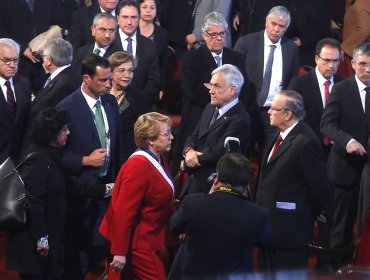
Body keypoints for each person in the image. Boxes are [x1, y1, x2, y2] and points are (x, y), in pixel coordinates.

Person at [6, 107, 113, 280]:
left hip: (48, 240)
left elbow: (72, 187)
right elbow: (34, 202)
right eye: (64, 129)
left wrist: (110, 189)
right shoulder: (38, 159)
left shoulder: (52, 155)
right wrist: (41, 238)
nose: (68, 132)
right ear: (51, 133)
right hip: (33, 242)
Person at [57, 53, 120, 279]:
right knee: (78, 248)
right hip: (79, 188)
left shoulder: (110, 101)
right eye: (103, 80)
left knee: (99, 242)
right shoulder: (66, 107)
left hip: (106, 185)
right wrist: (85, 160)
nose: (108, 85)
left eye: (109, 79)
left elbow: (116, 141)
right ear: (86, 78)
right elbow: (54, 154)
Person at [257, 90, 330, 277]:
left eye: (274, 108)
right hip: (270, 228)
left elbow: (320, 190)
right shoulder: (280, 134)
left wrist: (299, 212)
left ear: (288, 114)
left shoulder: (306, 142)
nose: (269, 111)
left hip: (290, 232)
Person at [169, 153, 272, 279]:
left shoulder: (193, 203)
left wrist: (209, 196)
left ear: (216, 178)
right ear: (247, 183)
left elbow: (173, 226)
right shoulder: (257, 215)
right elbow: (266, 241)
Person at [288, 37, 343, 273]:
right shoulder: (299, 84)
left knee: (331, 210)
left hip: (335, 158)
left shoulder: (344, 85)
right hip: (307, 156)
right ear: (316, 59)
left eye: (336, 61)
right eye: (327, 60)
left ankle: (327, 259)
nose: (331, 66)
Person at [99, 112, 175, 280]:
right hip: (135, 243)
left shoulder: (159, 158)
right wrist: (119, 252)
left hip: (145, 238)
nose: (171, 137)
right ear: (150, 139)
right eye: (166, 133)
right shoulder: (137, 167)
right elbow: (124, 212)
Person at [173, 11, 245, 174]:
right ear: (204, 35)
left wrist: (208, 86)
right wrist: (223, 91)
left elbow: (241, 90)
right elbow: (194, 92)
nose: (219, 38)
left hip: (227, 121)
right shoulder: (191, 58)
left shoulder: (237, 58)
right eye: (214, 34)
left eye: (222, 34)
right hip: (196, 117)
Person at [320, 42, 370, 269]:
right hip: (344, 168)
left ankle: (359, 264)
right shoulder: (341, 89)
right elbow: (326, 125)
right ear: (352, 64)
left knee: (364, 224)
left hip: (367, 172)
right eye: (363, 64)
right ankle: (335, 267)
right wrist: (347, 141)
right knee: (340, 225)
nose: (367, 69)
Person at [233, 5, 299, 157]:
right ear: (266, 22)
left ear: (286, 28)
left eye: (281, 26)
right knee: (240, 156)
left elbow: (292, 82)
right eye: (273, 24)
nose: (276, 29)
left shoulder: (291, 48)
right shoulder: (246, 43)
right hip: (246, 110)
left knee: (269, 158)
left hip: (273, 113)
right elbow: (233, 76)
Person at [180, 64, 251, 197]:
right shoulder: (210, 108)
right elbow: (194, 135)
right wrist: (188, 151)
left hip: (212, 186)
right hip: (193, 180)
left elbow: (220, 152)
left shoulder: (240, 119)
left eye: (216, 86)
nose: (211, 91)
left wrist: (190, 162)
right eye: (210, 85)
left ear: (232, 89)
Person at [22, 38, 80, 153]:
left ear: (48, 60)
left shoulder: (64, 83)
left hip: (47, 150)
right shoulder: (68, 76)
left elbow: (60, 119)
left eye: (43, 57)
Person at [114, 0, 160, 106]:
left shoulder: (149, 45)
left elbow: (153, 78)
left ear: (139, 18)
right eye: (125, 17)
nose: (129, 22)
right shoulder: (109, 43)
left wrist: (141, 99)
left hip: (141, 104)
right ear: (117, 19)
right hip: (112, 103)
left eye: (133, 17)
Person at [108, 51, 151, 163]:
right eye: (121, 70)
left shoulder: (140, 98)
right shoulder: (102, 94)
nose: (127, 75)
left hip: (126, 155)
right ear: (111, 73)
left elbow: (145, 132)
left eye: (130, 71)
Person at [0, 38, 31, 164]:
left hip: (17, 160)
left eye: (16, 60)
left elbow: (27, 122)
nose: (12, 65)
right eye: (7, 60)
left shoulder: (24, 84)